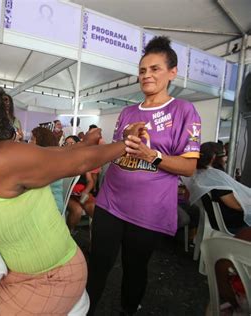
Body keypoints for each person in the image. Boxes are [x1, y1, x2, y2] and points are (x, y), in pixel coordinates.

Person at [0, 74, 143, 314]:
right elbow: (55, 153)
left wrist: (127, 143)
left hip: (51, 277)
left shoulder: (0, 159)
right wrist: (85, 143)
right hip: (6, 268)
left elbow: (79, 162)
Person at [87, 36, 201, 315]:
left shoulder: (184, 111)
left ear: (172, 72)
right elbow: (117, 153)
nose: (146, 75)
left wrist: (153, 155)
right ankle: (84, 310)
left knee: (134, 269)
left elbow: (189, 168)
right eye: (142, 70)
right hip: (110, 201)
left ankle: (128, 310)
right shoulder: (127, 112)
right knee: (97, 264)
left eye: (155, 69)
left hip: (147, 210)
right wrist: (105, 146)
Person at [184, 141, 250, 234]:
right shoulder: (216, 179)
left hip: (213, 221)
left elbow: (187, 197)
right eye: (225, 154)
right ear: (214, 157)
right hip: (231, 224)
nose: (227, 158)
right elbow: (235, 205)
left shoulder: (197, 175)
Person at [63, 135, 96, 232]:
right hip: (68, 194)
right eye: (66, 143)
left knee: (93, 208)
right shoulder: (62, 160)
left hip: (81, 191)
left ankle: (95, 234)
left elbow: (90, 181)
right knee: (77, 210)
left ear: (78, 144)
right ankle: (69, 232)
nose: (69, 146)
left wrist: (85, 191)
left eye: (71, 143)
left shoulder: (83, 161)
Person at [29, 126, 64, 213]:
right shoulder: (43, 159)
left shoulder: (48, 163)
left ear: (41, 142)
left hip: (52, 205)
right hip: (42, 201)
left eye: (32, 139)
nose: (29, 142)